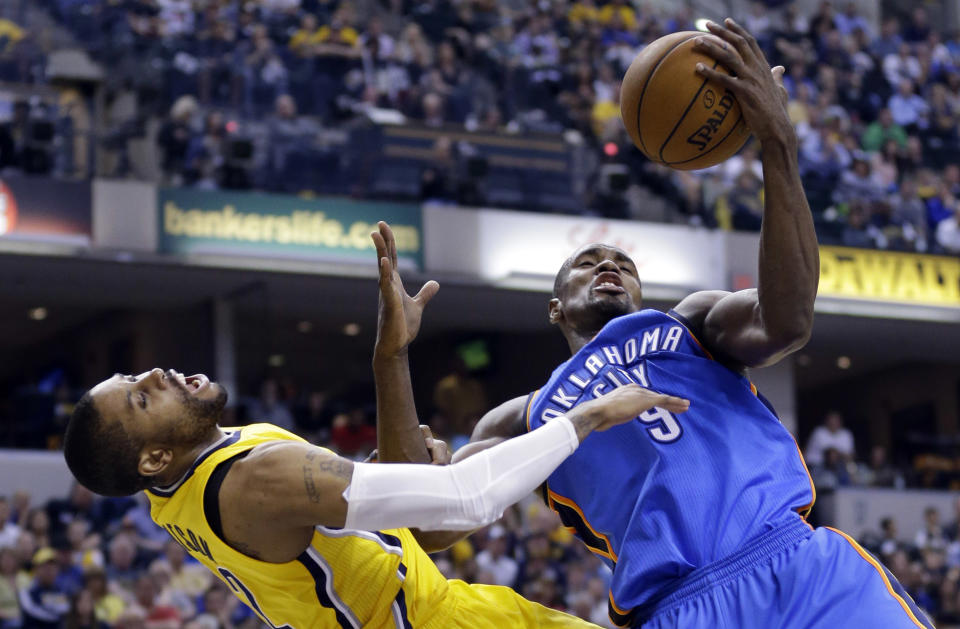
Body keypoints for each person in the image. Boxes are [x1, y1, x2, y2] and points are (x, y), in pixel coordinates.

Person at [404, 19, 931, 629]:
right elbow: (434, 524)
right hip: (678, 609)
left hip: (802, 568)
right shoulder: (524, 416)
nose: (608, 265)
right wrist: (393, 362)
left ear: (639, 290)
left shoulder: (691, 325)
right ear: (555, 309)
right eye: (587, 263)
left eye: (622, 263)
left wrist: (777, 147)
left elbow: (788, 321)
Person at [62, 236, 688, 626]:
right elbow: (468, 500)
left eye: (134, 374)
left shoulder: (172, 487)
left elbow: (387, 509)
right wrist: (588, 416)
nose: (155, 372)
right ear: (154, 456)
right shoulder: (254, 480)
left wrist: (391, 358)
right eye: (142, 396)